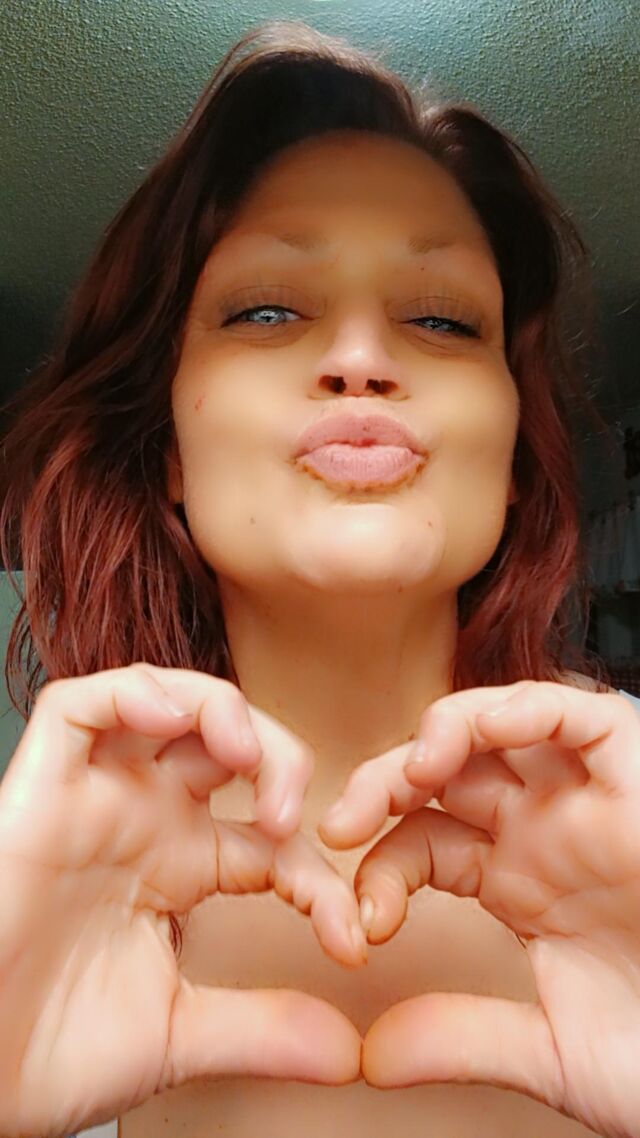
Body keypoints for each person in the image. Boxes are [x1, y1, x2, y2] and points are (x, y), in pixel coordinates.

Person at [1, 18, 639, 1138]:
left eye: (439, 318)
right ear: (168, 449)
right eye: (267, 309)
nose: (359, 358)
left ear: (509, 457)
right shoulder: (37, 861)